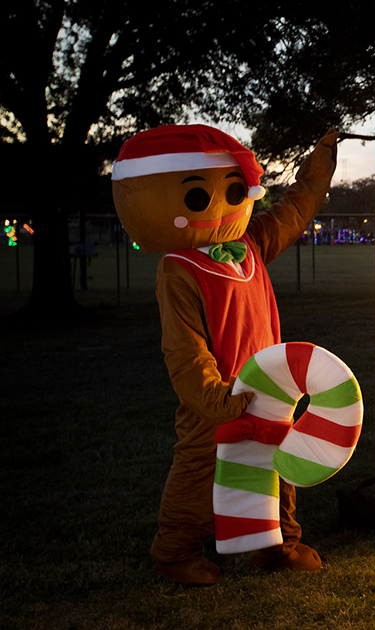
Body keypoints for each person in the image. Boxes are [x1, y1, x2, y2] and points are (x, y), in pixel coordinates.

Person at [111, 125, 338, 584]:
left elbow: (289, 215)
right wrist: (212, 396)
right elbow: (183, 345)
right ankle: (174, 552)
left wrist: (313, 181)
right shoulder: (180, 268)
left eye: (236, 190)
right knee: (199, 468)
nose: (224, 203)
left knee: (280, 464)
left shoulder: (249, 244)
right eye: (199, 198)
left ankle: (277, 546)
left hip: (272, 384)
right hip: (217, 396)